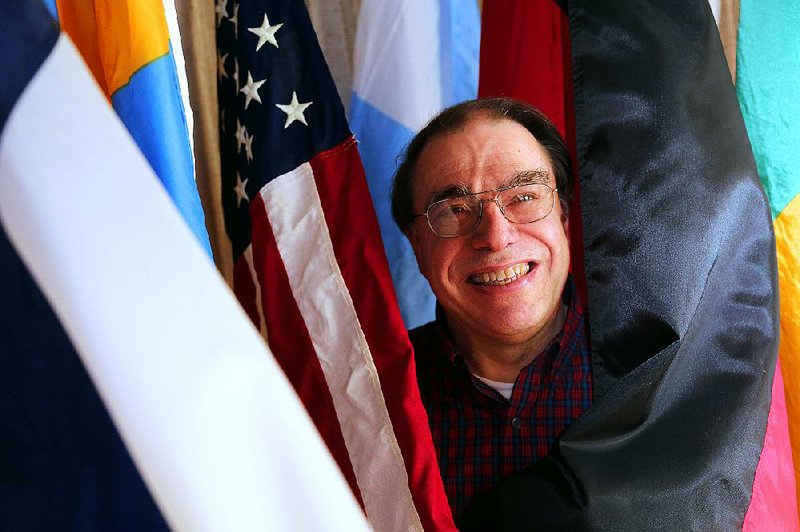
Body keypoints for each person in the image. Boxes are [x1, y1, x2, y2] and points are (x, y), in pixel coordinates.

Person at [391, 97, 592, 521]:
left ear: (565, 220)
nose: (496, 236)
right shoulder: (371, 401)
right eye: (455, 210)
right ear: (417, 246)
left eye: (524, 196)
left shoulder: (654, 380)